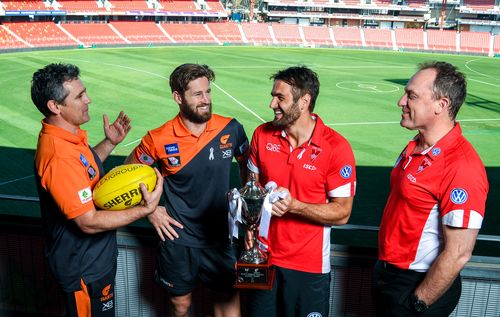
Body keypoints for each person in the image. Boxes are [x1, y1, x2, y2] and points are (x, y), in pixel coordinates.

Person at [32, 63, 164, 317]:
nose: (88, 99)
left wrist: (109, 143)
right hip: (82, 271)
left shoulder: (69, 138)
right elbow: (88, 222)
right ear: (54, 106)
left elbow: (85, 172)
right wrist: (146, 209)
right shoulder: (58, 156)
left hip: (96, 262)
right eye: (80, 96)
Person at [125, 63, 249, 317]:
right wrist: (151, 211)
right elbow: (127, 174)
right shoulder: (158, 138)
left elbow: (248, 164)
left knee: (228, 305)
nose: (206, 101)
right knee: (180, 306)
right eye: (197, 94)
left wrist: (248, 200)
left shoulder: (231, 129)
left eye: (208, 92)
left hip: (220, 238)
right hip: (177, 239)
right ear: (178, 97)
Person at [372, 61, 489, 316]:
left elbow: (459, 253)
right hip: (388, 275)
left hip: (417, 285)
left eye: (411, 95)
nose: (401, 102)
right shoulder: (415, 146)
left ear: (441, 105)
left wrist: (418, 302)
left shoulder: (461, 166)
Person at [245, 66, 356, 317]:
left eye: (280, 97)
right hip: (262, 259)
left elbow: (342, 213)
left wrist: (295, 206)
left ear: (304, 101)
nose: (271, 103)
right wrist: (249, 228)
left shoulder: (336, 148)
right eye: (273, 95)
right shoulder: (262, 135)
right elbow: (250, 189)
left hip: (309, 267)